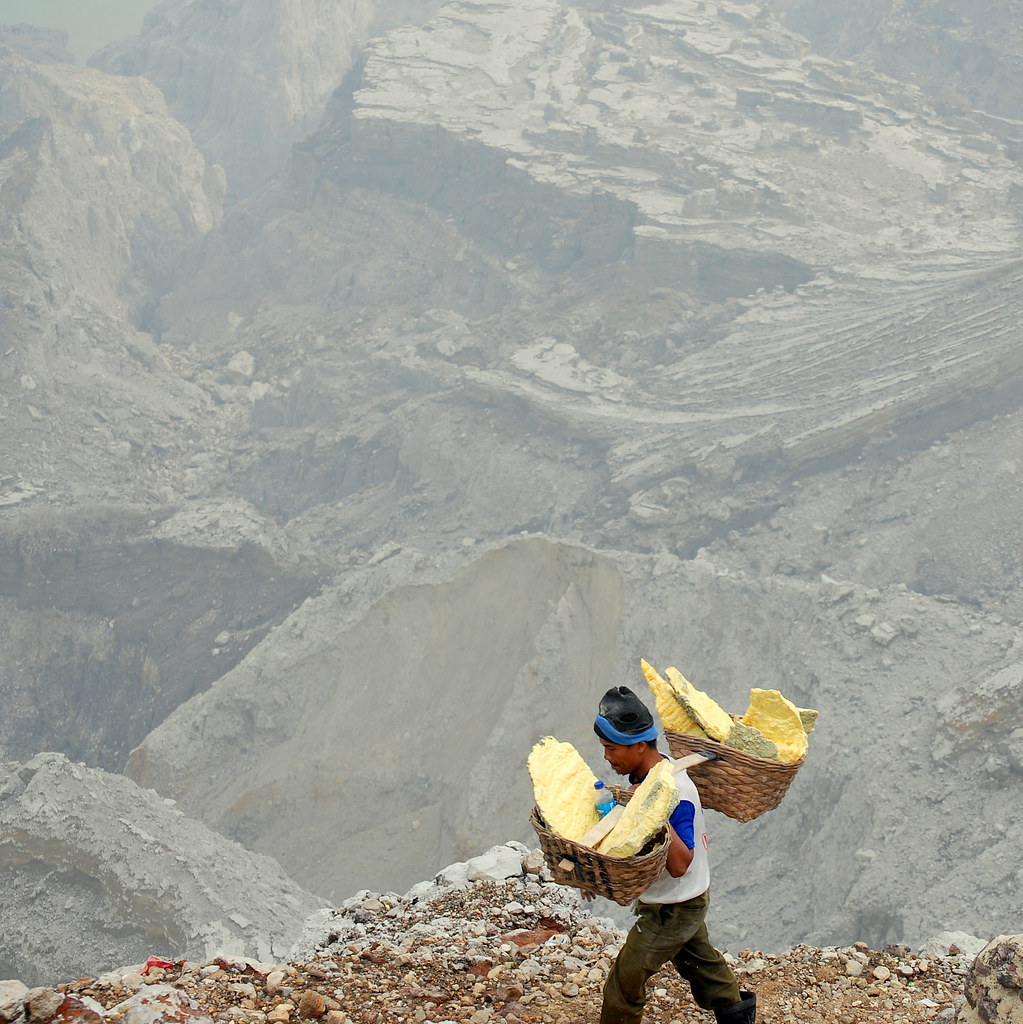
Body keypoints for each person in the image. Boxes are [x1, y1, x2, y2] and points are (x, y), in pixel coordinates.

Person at [594, 685, 756, 1024]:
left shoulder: (675, 790)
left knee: (625, 983)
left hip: (674, 906)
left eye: (612, 748)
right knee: (701, 964)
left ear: (639, 746)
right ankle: (737, 1016)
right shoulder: (644, 774)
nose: (607, 756)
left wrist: (653, 812)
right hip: (681, 898)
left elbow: (680, 863)